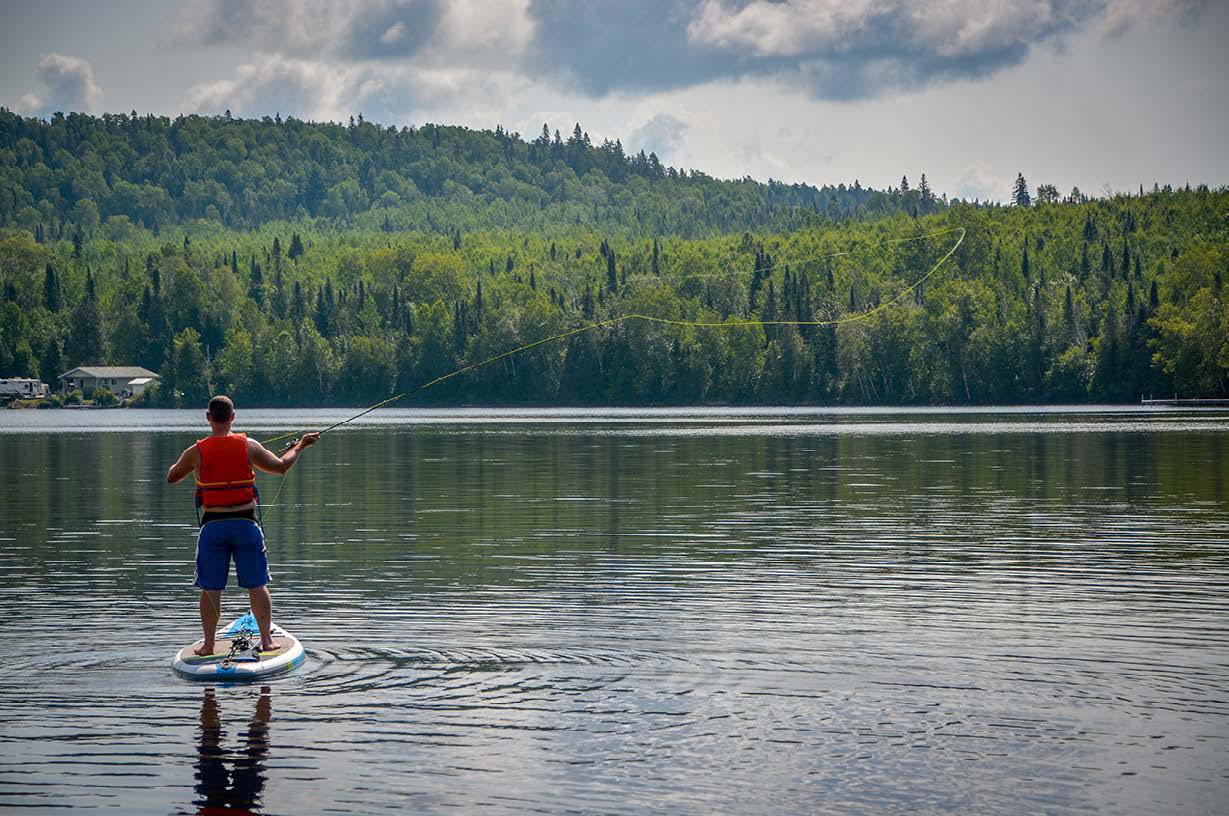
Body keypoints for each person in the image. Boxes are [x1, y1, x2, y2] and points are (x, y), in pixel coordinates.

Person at [167, 395, 319, 655]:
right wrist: (301, 445)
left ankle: (208, 644)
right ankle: (267, 641)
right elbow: (281, 466)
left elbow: (172, 477)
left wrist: (195, 464)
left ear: (208, 418)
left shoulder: (195, 451)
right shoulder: (249, 446)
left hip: (213, 528)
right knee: (257, 584)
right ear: (233, 417)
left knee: (210, 588)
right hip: (245, 525)